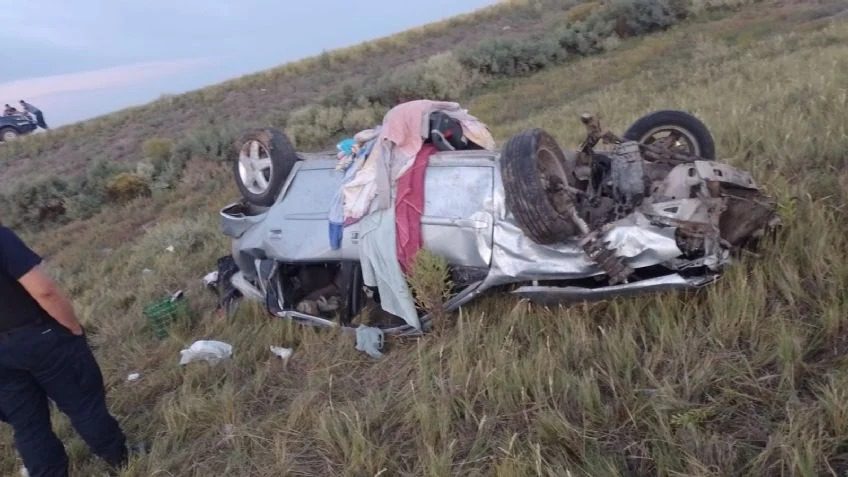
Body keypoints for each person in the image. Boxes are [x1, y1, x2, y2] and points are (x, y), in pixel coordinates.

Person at [0, 224, 127, 476]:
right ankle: (119, 458)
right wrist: (73, 327)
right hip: (38, 336)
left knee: (28, 425)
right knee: (83, 403)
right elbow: (45, 291)